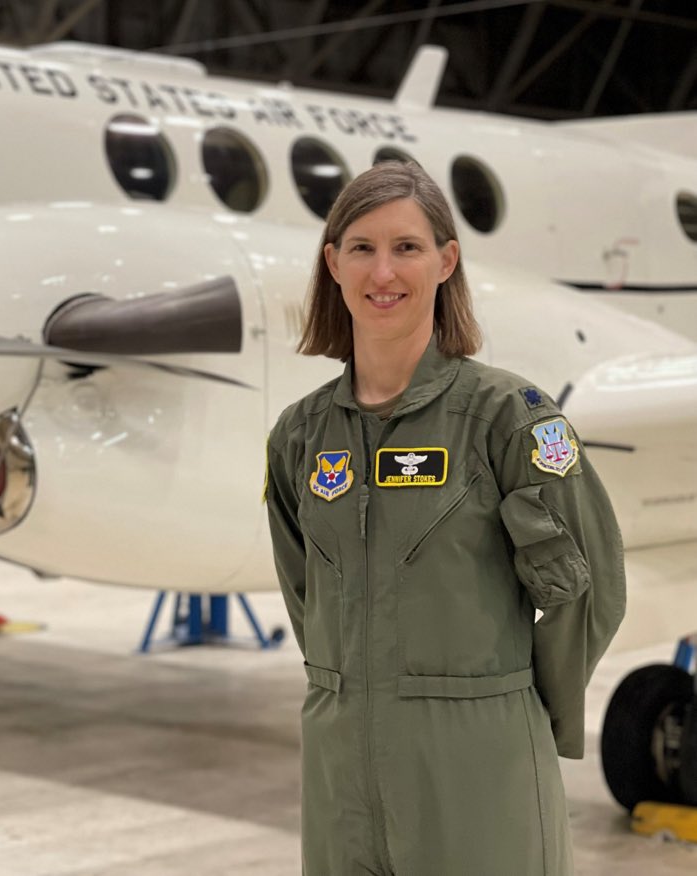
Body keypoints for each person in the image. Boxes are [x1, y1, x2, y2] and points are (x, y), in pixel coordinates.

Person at [264, 161, 625, 875]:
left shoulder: (508, 418)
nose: (382, 272)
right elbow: (305, 596)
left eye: (406, 247)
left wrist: (513, 709)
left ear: (444, 261)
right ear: (332, 264)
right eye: (361, 248)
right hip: (339, 771)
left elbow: (589, 589)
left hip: (477, 759)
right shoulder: (301, 435)